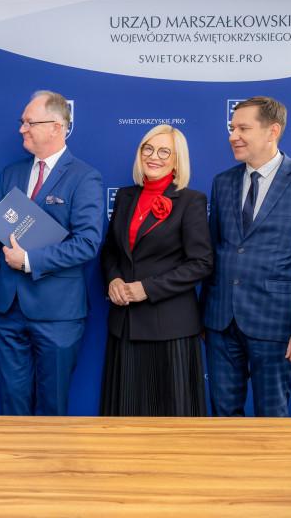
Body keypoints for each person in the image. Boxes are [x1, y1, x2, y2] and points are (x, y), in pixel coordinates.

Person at [0, 90, 103, 416]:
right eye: (22, 122)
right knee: (12, 404)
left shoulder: (85, 177)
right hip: (9, 309)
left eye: (29, 122)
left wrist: (29, 261)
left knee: (51, 406)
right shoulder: (12, 173)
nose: (21, 129)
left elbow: (87, 243)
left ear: (57, 127)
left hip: (57, 314)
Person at [203, 96, 291, 417]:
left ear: (272, 131)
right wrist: (205, 315)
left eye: (243, 128)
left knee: (272, 418)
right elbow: (215, 251)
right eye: (232, 128)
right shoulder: (223, 182)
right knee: (222, 416)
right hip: (221, 321)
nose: (233, 136)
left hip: (276, 323)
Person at [99, 125, 212, 416]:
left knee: (171, 421)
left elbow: (201, 263)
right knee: (125, 417)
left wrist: (146, 288)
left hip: (170, 328)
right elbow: (111, 249)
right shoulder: (125, 196)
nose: (154, 156)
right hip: (125, 325)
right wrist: (114, 279)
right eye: (148, 149)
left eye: (164, 152)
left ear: (177, 160)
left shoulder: (191, 201)